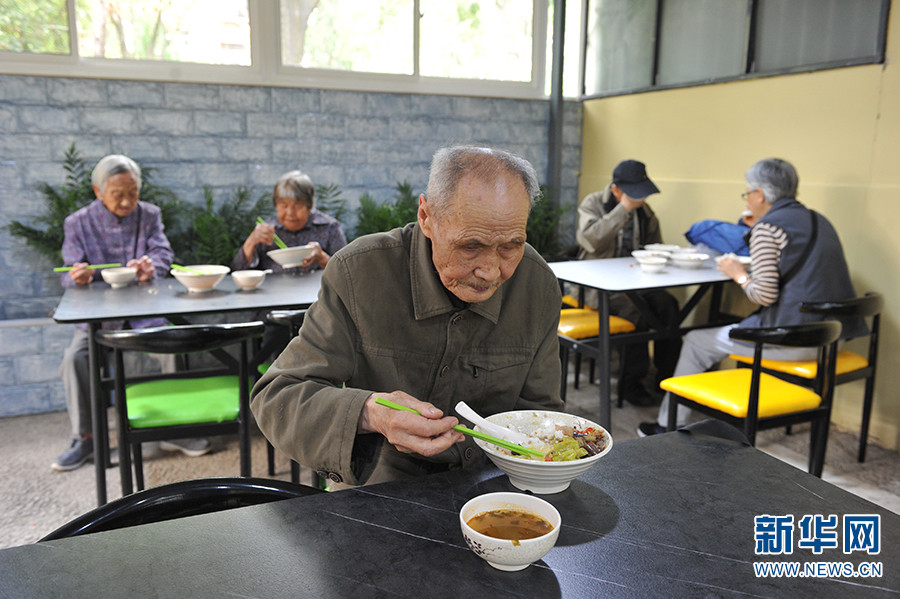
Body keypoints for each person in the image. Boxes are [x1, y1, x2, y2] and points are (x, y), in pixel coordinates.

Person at [251, 145, 564, 487]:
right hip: (379, 488)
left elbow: (541, 414)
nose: (491, 271)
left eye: (510, 246)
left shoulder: (537, 284)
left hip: (496, 484)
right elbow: (277, 396)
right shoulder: (360, 274)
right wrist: (371, 413)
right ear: (426, 216)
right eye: (470, 246)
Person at [638, 158, 868, 437]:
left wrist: (738, 273)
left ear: (759, 194)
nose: (747, 198)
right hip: (832, 337)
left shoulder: (768, 229)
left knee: (697, 342)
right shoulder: (819, 220)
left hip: (793, 339)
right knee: (731, 327)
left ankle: (667, 427)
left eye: (748, 192)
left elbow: (763, 295)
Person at [53, 154, 210, 472]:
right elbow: (68, 271)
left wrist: (153, 265)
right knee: (75, 358)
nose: (127, 201)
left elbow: (163, 252)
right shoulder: (77, 222)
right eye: (118, 195)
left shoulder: (150, 215)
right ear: (98, 191)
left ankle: (176, 428)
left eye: (133, 193)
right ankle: (86, 438)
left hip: (143, 311)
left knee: (172, 345)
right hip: (97, 317)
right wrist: (76, 275)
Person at [574, 159, 682, 406]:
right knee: (637, 310)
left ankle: (666, 380)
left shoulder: (645, 212)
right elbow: (590, 240)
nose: (641, 199)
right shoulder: (593, 203)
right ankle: (631, 383)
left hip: (638, 281)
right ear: (616, 190)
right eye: (636, 194)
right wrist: (622, 210)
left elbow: (655, 244)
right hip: (598, 286)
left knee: (669, 306)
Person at [231, 170, 347, 360]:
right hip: (272, 310)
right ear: (276, 206)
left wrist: (322, 259)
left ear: (309, 205)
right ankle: (269, 377)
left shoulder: (329, 228)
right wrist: (251, 242)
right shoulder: (267, 230)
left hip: (317, 307)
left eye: (298, 206)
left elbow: (347, 274)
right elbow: (239, 272)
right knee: (276, 331)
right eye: (283, 206)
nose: (290, 213)